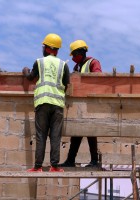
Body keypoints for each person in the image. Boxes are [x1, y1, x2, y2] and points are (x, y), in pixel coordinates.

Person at [22, 33, 70, 172]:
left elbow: (31, 77)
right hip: (58, 105)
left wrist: (25, 71)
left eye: (44, 46)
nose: (42, 49)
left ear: (48, 48)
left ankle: (38, 167)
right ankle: (54, 166)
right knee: (55, 136)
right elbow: (67, 84)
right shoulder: (63, 65)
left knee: (41, 136)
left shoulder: (40, 62)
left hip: (43, 103)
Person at [59, 40, 102, 168]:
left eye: (74, 54)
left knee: (91, 133)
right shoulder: (76, 67)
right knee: (76, 133)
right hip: (79, 105)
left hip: (90, 103)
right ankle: (70, 160)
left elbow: (98, 79)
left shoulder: (93, 62)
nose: (72, 58)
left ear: (81, 52)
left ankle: (94, 161)